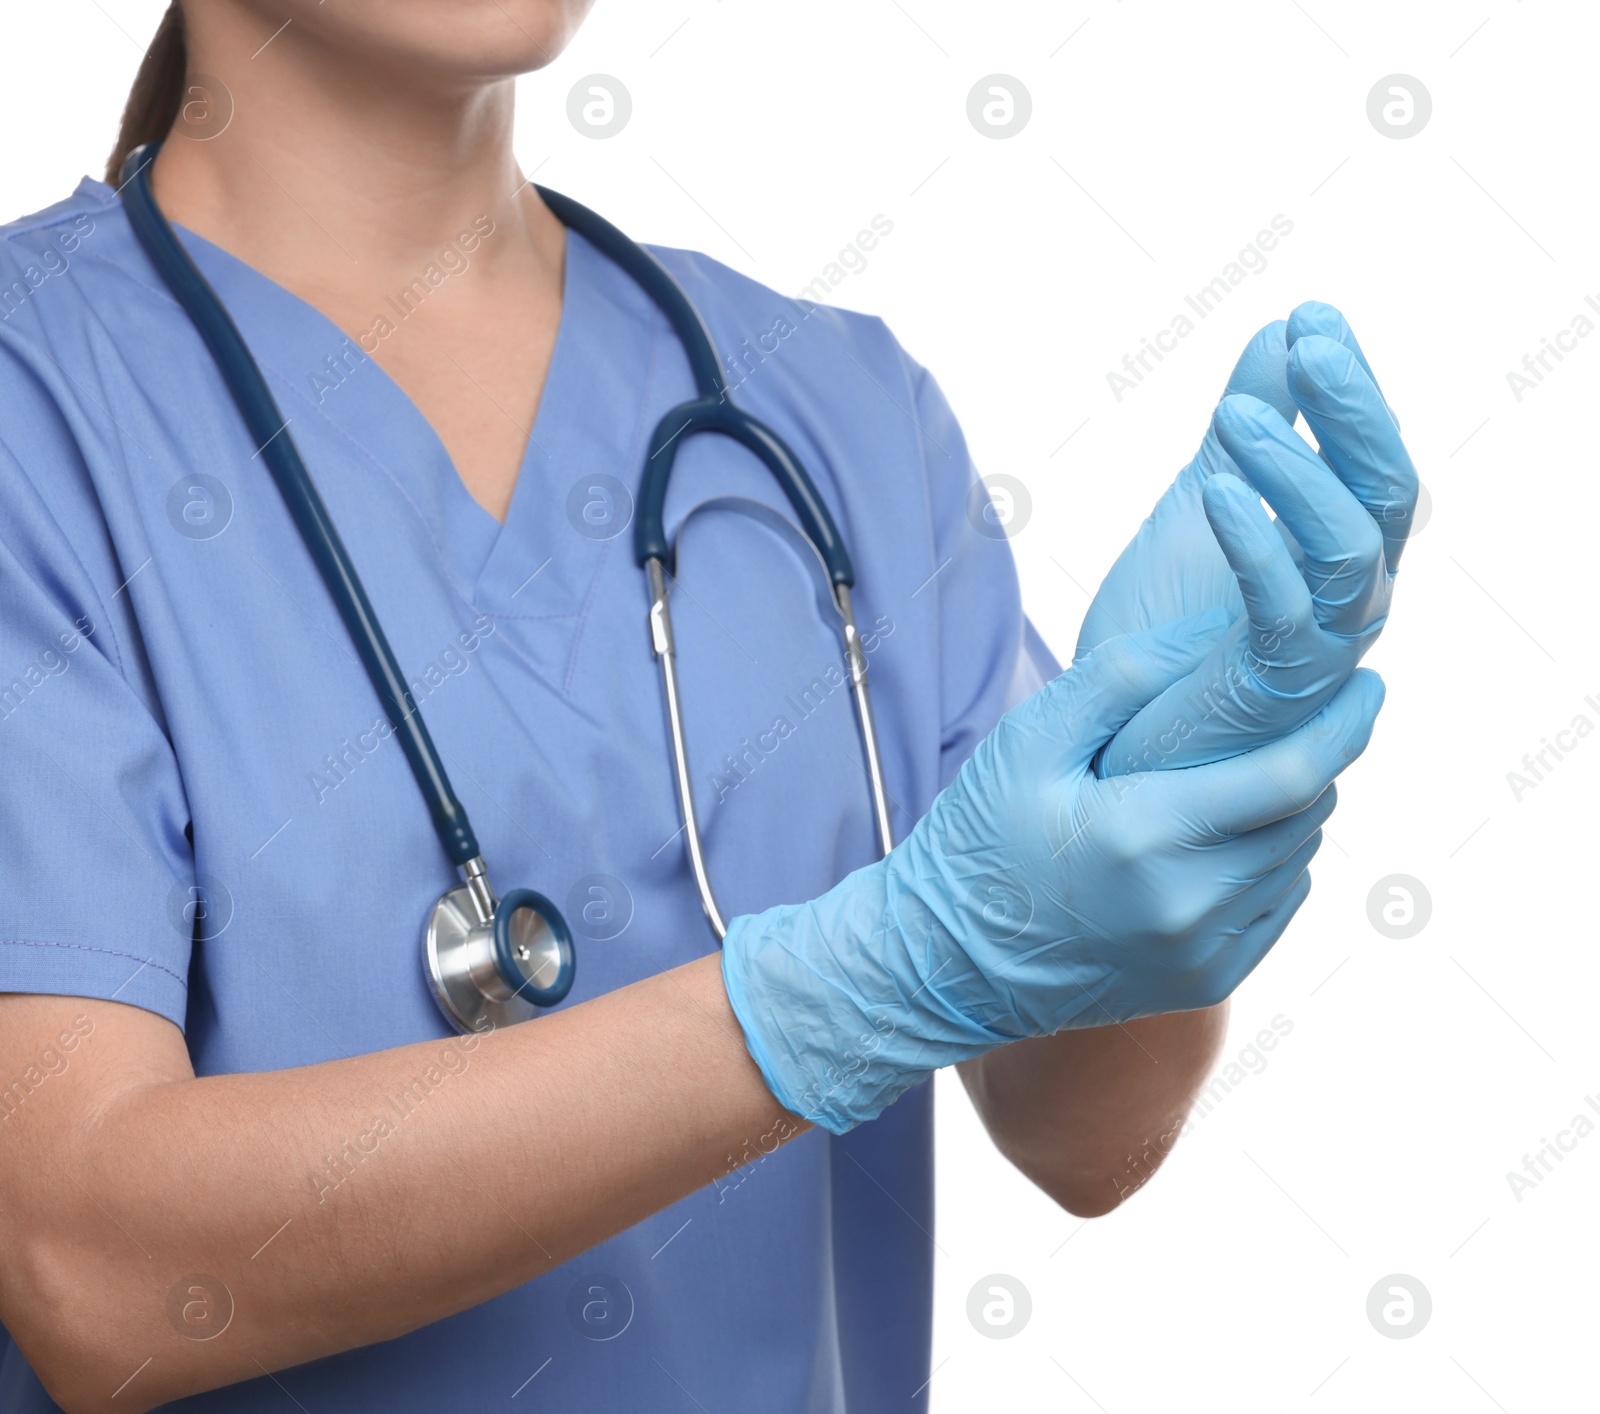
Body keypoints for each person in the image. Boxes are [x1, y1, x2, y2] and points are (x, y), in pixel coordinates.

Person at [0, 3, 1417, 1411]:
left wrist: (1165, 789)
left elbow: (1089, 1140)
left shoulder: (837, 408)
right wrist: (832, 997)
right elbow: (90, 1274)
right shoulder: (39, 405)